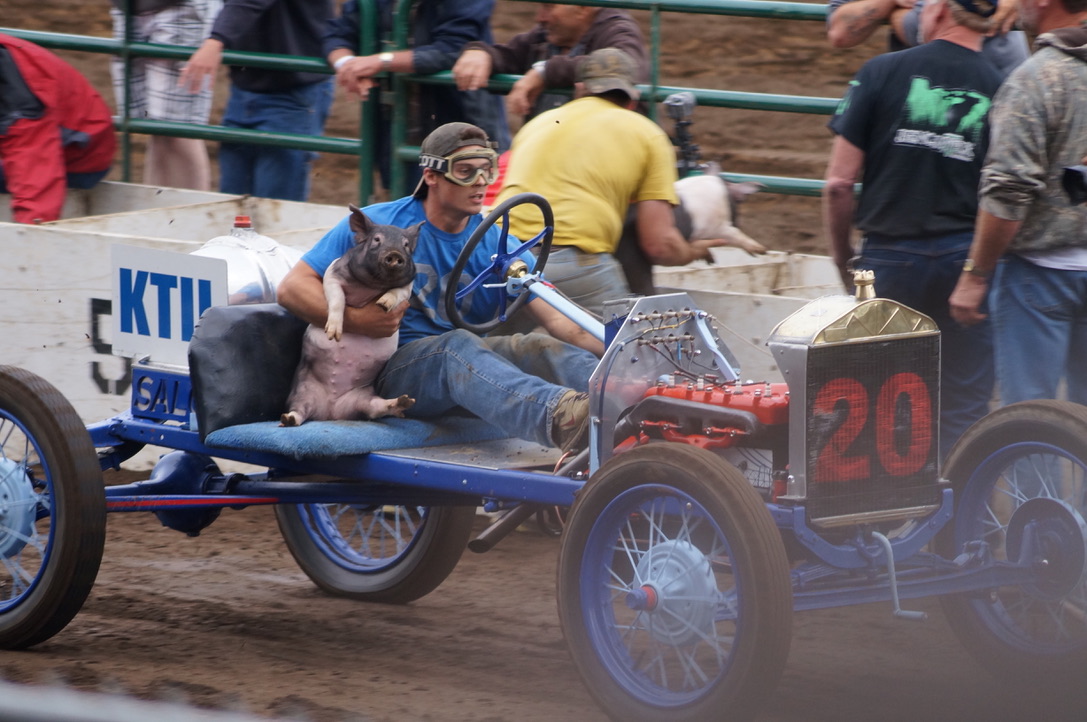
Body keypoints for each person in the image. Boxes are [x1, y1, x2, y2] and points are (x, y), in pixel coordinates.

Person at [276, 122, 603, 453]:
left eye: (486, 171)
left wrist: (628, 349)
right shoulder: (379, 228)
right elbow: (291, 288)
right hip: (387, 373)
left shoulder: (499, 244)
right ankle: (561, 418)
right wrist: (358, 321)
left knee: (533, 345)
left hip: (467, 365)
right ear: (431, 175)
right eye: (465, 172)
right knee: (454, 347)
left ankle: (626, 399)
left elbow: (566, 323)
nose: (479, 182)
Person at [822, 0, 1003, 457]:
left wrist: (845, 260)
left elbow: (839, 185)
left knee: (877, 399)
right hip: (965, 260)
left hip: (890, 258)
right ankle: (966, 520)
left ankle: (878, 519)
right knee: (964, 405)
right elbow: (1007, 191)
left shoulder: (881, 70)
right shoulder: (1003, 87)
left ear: (939, 9)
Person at [494, 48, 727, 318]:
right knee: (631, 348)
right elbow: (659, 244)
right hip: (572, 260)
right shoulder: (648, 135)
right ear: (631, 99)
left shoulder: (538, 123)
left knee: (500, 345)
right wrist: (691, 251)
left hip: (499, 255)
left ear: (580, 89)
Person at [949, 0, 1087, 406]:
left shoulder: (1036, 79)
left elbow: (1008, 191)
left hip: (1039, 274)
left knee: (1029, 418)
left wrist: (975, 275)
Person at [323, 0, 510, 191]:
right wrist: (347, 65)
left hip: (458, 115)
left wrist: (381, 62)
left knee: (467, 192)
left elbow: (454, 47)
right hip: (398, 121)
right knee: (404, 195)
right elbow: (338, 33)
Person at [180, 0, 334, 202]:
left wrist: (216, 41)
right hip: (249, 83)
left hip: (291, 86)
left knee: (273, 202)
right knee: (233, 200)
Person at [452, 4, 648, 123]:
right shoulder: (546, 36)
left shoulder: (619, 30)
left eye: (548, 6)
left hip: (599, 159)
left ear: (583, 8)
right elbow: (509, 55)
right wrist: (480, 52)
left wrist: (545, 72)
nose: (540, 17)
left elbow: (624, 65)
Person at [0, 33, 116, 224]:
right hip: (40, 148)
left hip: (73, 158)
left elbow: (34, 174)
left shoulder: (19, 101)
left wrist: (29, 239)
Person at [109, 0, 222, 190]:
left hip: (180, 7)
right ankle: (157, 208)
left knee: (179, 127)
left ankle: (194, 211)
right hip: (128, 7)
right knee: (154, 125)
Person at [826, 0, 1029, 78]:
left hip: (995, 87)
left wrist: (894, 15)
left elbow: (945, 20)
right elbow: (840, 33)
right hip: (919, 93)